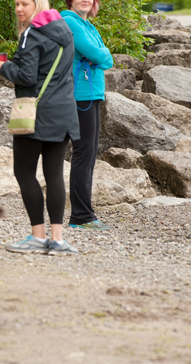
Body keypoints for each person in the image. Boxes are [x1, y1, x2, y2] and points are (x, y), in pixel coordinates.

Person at [0, 0, 81, 255]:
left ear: (38, 4)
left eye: (25, 3)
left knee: (24, 172)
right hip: (65, 111)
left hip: (36, 113)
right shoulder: (65, 28)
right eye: (17, 4)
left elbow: (28, 76)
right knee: (54, 174)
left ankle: (38, 236)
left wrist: (5, 68)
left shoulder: (32, 33)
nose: (19, 9)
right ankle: (58, 240)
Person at [61, 0, 114, 230]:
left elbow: (107, 59)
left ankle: (85, 212)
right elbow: (96, 53)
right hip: (79, 96)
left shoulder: (88, 25)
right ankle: (81, 216)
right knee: (83, 154)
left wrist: (100, 56)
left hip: (92, 95)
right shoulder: (70, 22)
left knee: (90, 155)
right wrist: (99, 56)